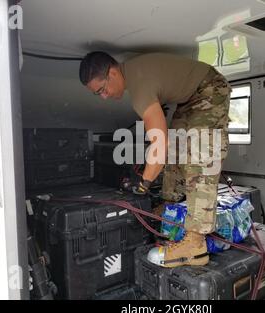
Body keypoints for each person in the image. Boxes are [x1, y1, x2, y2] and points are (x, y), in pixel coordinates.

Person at [79, 52, 231, 267]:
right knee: (177, 149)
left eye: (102, 89)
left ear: (112, 73)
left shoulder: (140, 89)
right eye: (98, 94)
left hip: (209, 88)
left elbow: (160, 144)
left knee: (200, 157)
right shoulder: (134, 77)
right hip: (191, 98)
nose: (104, 96)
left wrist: (144, 183)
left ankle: (195, 243)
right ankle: (170, 207)